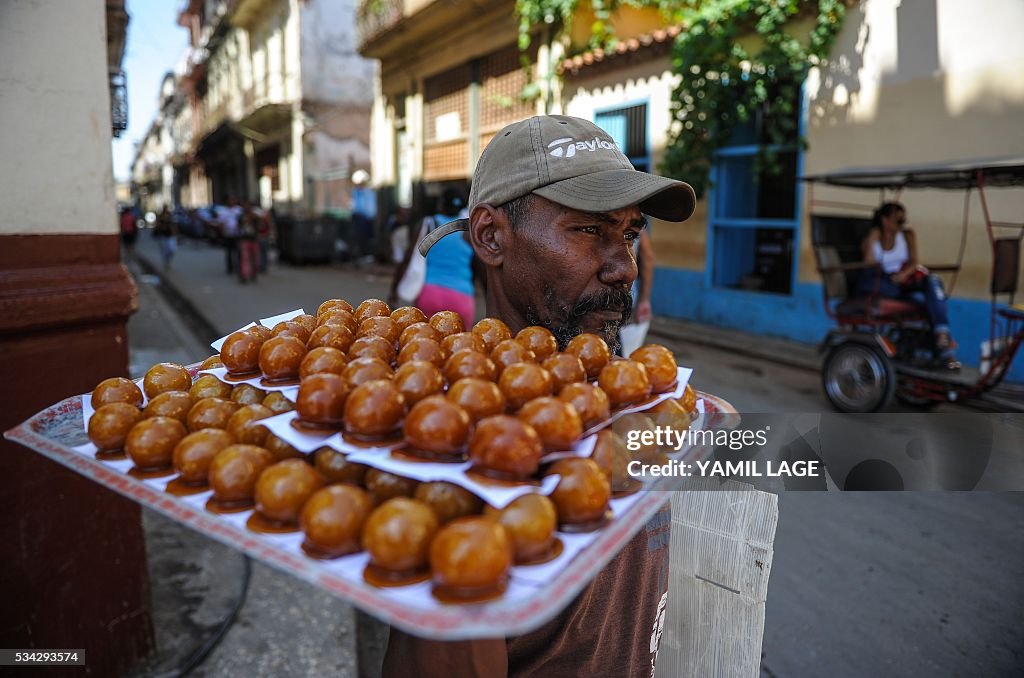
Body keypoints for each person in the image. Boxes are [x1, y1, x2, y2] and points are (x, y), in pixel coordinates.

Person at [382, 115, 696, 677]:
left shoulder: (638, 400)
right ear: (490, 237)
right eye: (587, 230)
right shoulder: (471, 468)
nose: (623, 267)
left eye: (628, 233)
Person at [858, 202, 959, 369]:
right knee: (920, 299)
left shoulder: (907, 235)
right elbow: (868, 264)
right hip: (881, 281)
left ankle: (942, 334)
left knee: (932, 282)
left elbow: (914, 262)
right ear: (885, 220)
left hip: (904, 281)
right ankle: (944, 352)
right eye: (898, 221)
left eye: (903, 220)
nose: (902, 225)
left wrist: (903, 275)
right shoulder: (873, 237)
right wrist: (872, 239)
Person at [389, 188, 476, 326]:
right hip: (461, 297)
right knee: (461, 344)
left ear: (441, 204)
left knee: (426, 343)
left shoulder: (429, 225)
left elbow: (408, 258)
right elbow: (480, 268)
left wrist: (394, 290)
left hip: (430, 295)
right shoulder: (469, 231)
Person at [619, 228, 655, 356]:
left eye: (629, 237)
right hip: (625, 297)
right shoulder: (634, 224)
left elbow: (648, 258)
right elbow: (648, 258)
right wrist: (644, 300)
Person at [219, 195, 243, 274]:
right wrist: (223, 231)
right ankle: (230, 268)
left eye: (233, 200)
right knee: (228, 252)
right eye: (230, 200)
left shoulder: (239, 210)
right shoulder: (223, 210)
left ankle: (238, 267)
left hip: (237, 234)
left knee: (238, 251)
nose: (232, 202)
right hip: (227, 234)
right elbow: (221, 222)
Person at [153, 205, 177, 269]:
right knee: (164, 251)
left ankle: (168, 261)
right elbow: (157, 225)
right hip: (162, 236)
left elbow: (174, 226)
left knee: (172, 249)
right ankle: (166, 263)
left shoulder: (170, 215)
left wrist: (175, 234)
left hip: (170, 236)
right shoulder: (160, 216)